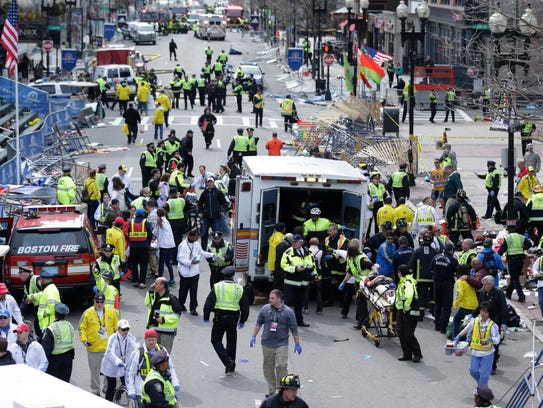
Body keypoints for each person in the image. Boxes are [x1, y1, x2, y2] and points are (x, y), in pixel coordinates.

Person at [250, 289, 300, 397]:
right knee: (268, 366)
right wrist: (253, 336)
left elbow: (294, 329)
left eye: (272, 298)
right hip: (267, 343)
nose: (270, 300)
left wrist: (297, 344)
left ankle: (282, 389)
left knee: (281, 366)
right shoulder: (265, 309)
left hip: (281, 343)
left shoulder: (288, 312)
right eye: (269, 297)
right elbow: (259, 322)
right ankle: (271, 389)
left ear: (279, 299)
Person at [203, 266, 249, 374]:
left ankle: (227, 361)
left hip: (220, 317)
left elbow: (209, 303)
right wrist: (242, 320)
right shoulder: (239, 288)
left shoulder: (217, 286)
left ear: (223, 276)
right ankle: (231, 363)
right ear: (233, 275)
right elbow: (245, 307)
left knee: (215, 340)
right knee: (232, 341)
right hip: (234, 318)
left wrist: (206, 316)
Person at [127, 329, 180, 407]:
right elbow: (131, 373)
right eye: (149, 340)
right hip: (142, 391)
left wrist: (175, 383)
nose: (151, 342)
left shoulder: (162, 350)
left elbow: (171, 367)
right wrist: (131, 390)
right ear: (145, 340)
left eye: (153, 340)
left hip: (159, 388)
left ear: (156, 340)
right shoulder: (138, 353)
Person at [79, 292, 119, 395]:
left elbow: (117, 327)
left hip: (108, 347)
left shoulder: (111, 312)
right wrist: (84, 340)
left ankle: (107, 387)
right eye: (97, 301)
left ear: (104, 302)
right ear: (94, 301)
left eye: (101, 302)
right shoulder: (87, 313)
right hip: (93, 347)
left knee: (109, 370)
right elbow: (81, 328)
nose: (99, 304)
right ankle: (95, 390)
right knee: (94, 371)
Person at [455, 302, 500, 387]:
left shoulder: (492, 325)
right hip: (475, 351)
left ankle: (482, 391)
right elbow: (467, 329)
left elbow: (497, 339)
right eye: (481, 311)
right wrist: (459, 336)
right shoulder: (475, 321)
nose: (482, 313)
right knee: (473, 371)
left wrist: (492, 340)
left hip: (487, 353)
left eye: (485, 312)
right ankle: (482, 386)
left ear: (489, 313)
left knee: (484, 375)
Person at [280, 234, 316, 327]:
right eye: (292, 242)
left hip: (303, 283)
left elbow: (312, 265)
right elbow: (283, 265)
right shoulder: (288, 252)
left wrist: (314, 275)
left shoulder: (308, 252)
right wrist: (295, 269)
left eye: (295, 242)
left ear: (301, 242)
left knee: (299, 304)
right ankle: (284, 322)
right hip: (291, 283)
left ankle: (299, 321)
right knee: (287, 304)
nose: (293, 243)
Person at [177, 229, 216, 316]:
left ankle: (193, 308)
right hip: (185, 273)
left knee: (194, 291)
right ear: (191, 236)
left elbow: (202, 252)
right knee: (183, 290)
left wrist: (212, 255)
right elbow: (179, 259)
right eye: (197, 236)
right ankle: (181, 304)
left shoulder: (196, 244)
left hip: (194, 272)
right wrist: (190, 263)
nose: (198, 238)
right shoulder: (183, 245)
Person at [101, 319, 138, 401]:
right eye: (123, 329)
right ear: (118, 329)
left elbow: (137, 347)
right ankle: (108, 402)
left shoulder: (130, 337)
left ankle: (117, 395)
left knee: (126, 383)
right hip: (111, 365)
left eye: (127, 329)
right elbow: (109, 353)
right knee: (111, 385)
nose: (126, 331)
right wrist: (118, 362)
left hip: (124, 365)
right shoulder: (113, 338)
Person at [145, 277, 181, 353]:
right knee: (152, 353)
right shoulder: (154, 296)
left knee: (164, 354)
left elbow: (177, 315)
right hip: (154, 330)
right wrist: (150, 291)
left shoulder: (172, 299)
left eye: (156, 283)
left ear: (162, 286)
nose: (153, 285)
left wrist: (163, 319)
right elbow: (146, 303)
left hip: (166, 333)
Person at [395, 264, 422, 362]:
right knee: (401, 332)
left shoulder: (408, 282)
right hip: (401, 311)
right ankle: (407, 354)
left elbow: (409, 295)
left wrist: (406, 308)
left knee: (408, 334)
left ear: (400, 273)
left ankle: (417, 354)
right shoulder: (402, 282)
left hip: (409, 312)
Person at [41, 303, 75, 382]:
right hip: (68, 360)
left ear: (55, 314)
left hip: (55, 362)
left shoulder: (51, 328)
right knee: (65, 383)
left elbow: (46, 348)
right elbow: (72, 338)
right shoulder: (69, 325)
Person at [498, 225, 532, 302]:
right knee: (514, 277)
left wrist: (497, 256)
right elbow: (529, 244)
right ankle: (508, 293)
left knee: (515, 278)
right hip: (520, 260)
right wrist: (522, 248)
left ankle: (521, 296)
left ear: (509, 230)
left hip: (512, 260)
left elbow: (502, 249)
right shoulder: (521, 237)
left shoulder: (508, 238)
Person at [431, 243, 458, 333]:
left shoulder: (436, 257)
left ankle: (437, 325)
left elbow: (431, 269)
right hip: (447, 285)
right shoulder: (453, 260)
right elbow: (456, 272)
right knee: (446, 306)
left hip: (436, 284)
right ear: (451, 250)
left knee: (438, 304)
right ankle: (443, 327)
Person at [26, 268, 60, 340]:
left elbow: (52, 306)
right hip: (46, 324)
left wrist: (43, 314)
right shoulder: (48, 289)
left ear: (43, 280)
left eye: (40, 280)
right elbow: (42, 295)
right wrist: (31, 297)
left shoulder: (50, 290)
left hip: (48, 325)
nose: (40, 282)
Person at [198, 177, 227, 251]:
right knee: (204, 234)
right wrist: (200, 212)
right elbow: (200, 203)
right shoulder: (204, 193)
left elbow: (224, 203)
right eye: (208, 182)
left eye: (211, 182)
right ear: (207, 183)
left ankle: (217, 249)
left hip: (216, 217)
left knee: (217, 234)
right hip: (206, 218)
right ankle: (203, 250)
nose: (210, 183)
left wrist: (222, 211)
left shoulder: (218, 192)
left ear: (213, 183)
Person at [128, 208, 153, 289]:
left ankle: (135, 281)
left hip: (133, 247)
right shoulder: (146, 222)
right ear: (143, 214)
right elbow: (150, 234)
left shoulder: (131, 222)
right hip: (144, 247)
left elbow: (128, 233)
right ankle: (142, 282)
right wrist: (148, 244)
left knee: (134, 264)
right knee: (143, 265)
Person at [452, 264, 478, 337]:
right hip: (475, 304)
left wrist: (455, 304)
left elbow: (460, 294)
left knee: (456, 321)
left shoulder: (460, 281)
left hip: (466, 306)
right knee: (471, 323)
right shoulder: (470, 279)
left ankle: (456, 338)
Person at [154, 209, 177, 286]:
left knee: (161, 263)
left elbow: (154, 232)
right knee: (168, 263)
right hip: (170, 245)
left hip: (164, 246)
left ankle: (159, 279)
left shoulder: (159, 222)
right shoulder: (167, 222)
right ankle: (172, 279)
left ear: (158, 215)